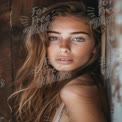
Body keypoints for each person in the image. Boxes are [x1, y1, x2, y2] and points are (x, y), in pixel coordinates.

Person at [9, 1, 111, 122]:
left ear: (95, 46)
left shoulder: (75, 92)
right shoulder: (55, 87)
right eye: (54, 37)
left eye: (78, 39)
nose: (64, 48)